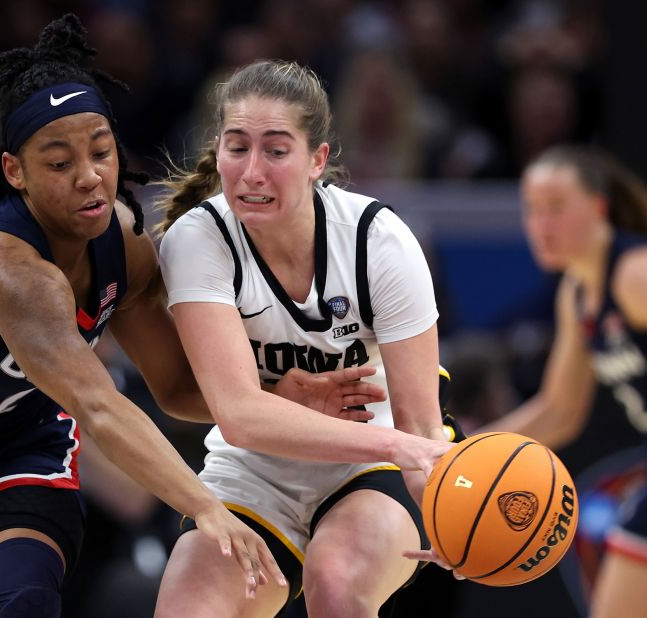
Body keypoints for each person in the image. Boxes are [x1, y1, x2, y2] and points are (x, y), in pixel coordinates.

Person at [0, 15, 386, 618]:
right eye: (59, 163)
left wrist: (279, 390)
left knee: (25, 598)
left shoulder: (122, 243)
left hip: (16, 450)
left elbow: (176, 386)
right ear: (16, 173)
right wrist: (206, 507)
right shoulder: (3, 268)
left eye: (101, 151)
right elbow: (100, 406)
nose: (89, 176)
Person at [153, 59, 460, 618]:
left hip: (372, 462)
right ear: (217, 150)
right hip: (255, 466)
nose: (252, 172)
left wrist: (449, 516)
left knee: (336, 583)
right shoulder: (197, 240)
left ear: (318, 159)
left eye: (276, 149)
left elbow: (418, 426)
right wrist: (396, 444)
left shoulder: (379, 240)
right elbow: (240, 416)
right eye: (237, 146)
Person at [477, 145, 647, 618]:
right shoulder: (578, 293)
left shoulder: (634, 275)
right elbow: (560, 410)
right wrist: (467, 452)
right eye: (532, 210)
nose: (541, 224)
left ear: (598, 207)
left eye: (556, 208)